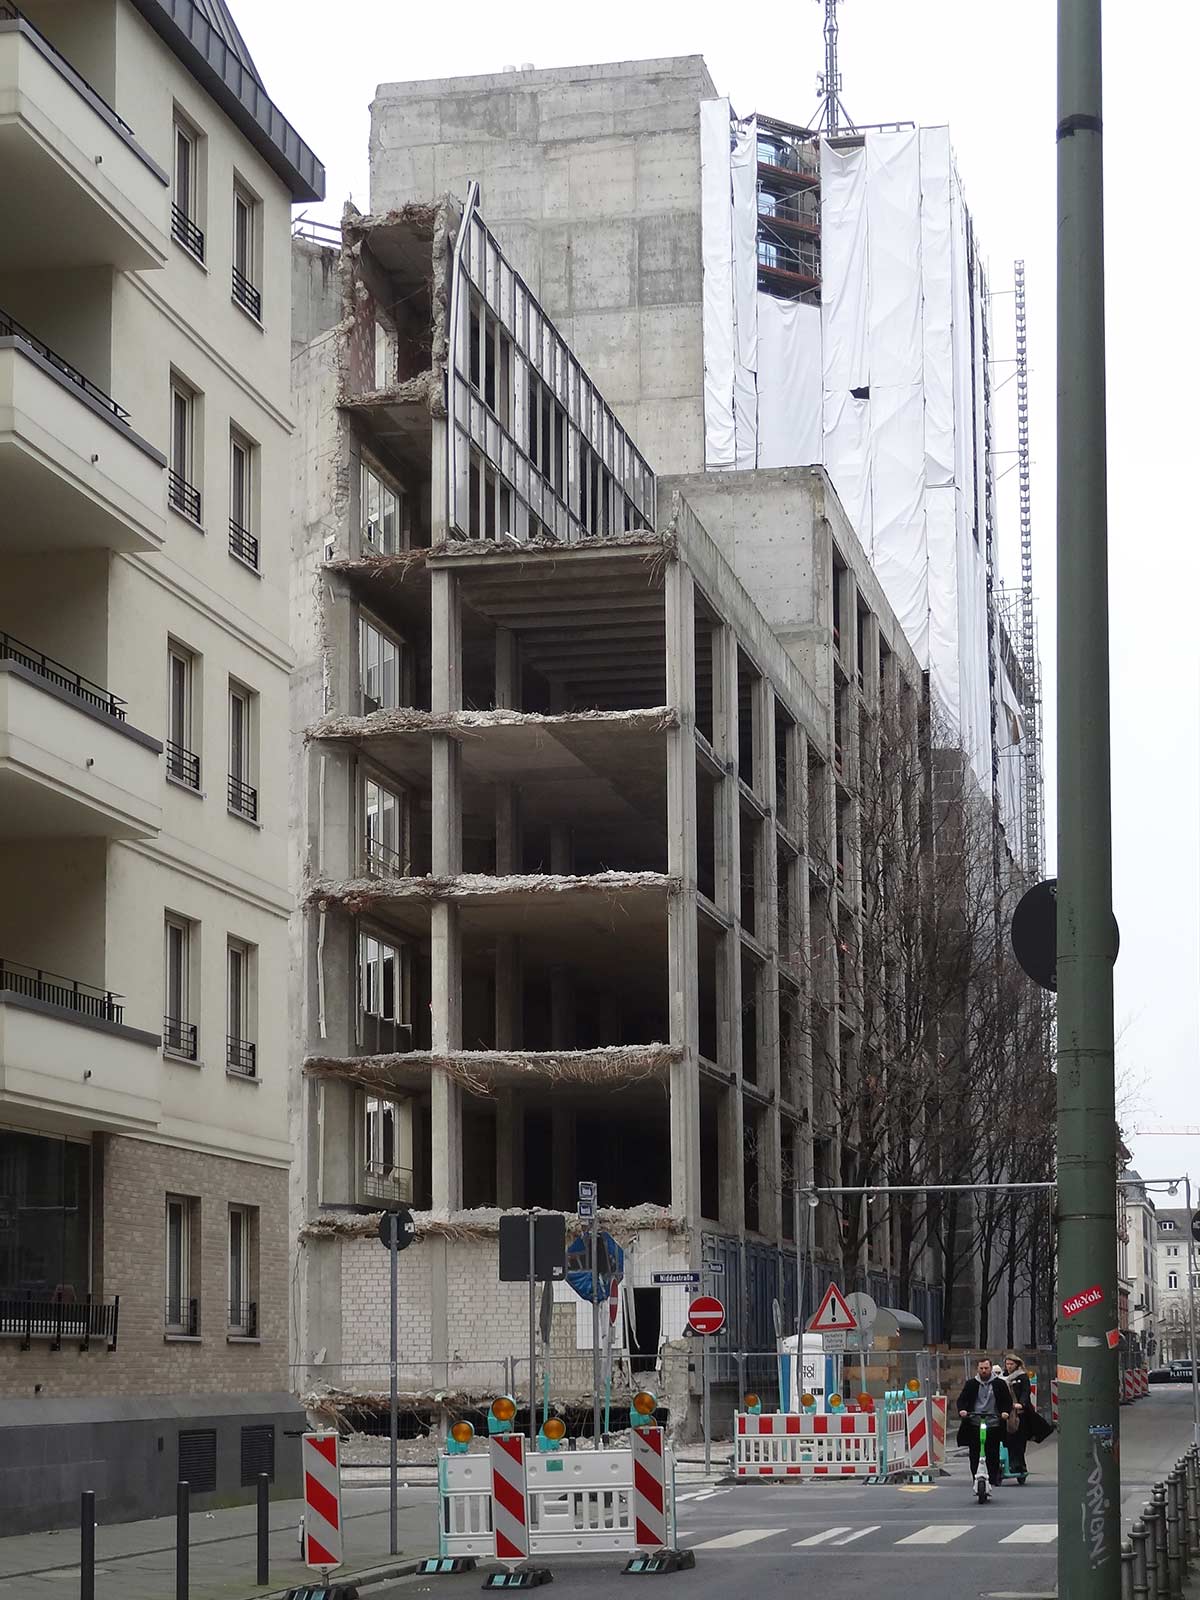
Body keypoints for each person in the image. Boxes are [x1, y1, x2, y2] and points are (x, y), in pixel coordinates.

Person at [956, 1357, 1012, 1490]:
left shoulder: (999, 1384)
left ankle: (993, 1478)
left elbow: (1006, 1401)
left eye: (986, 1368)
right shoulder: (971, 1384)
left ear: (991, 1368)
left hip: (993, 1422)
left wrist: (1005, 1412)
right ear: (977, 1369)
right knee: (975, 1452)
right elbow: (962, 1399)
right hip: (975, 1422)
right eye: (981, 1368)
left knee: (992, 1452)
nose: (984, 1371)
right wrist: (963, 1410)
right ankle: (976, 1477)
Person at [1001, 1353, 1053, 1482]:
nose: (1009, 1367)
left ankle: (1019, 1465)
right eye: (1007, 1364)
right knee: (1005, 1440)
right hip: (1006, 1413)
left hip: (1020, 1413)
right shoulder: (1003, 1377)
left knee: (1019, 1441)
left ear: (1017, 1364)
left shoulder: (1022, 1376)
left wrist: (1022, 1403)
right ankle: (1006, 1463)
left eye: (1011, 1364)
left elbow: (1026, 1391)